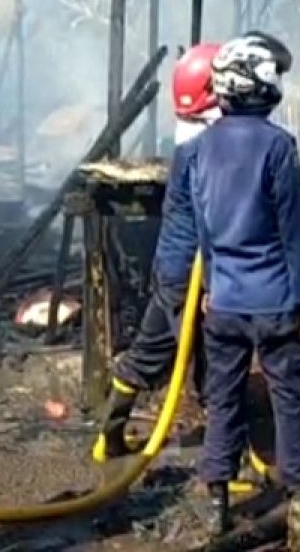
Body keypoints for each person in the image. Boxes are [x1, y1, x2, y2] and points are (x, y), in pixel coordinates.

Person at [191, 32, 300, 535]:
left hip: (223, 300)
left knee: (223, 398)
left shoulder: (199, 148)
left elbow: (203, 226)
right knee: (289, 395)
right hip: (274, 300)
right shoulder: (278, 145)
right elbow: (294, 229)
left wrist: (208, 288)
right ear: (261, 86)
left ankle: (218, 496)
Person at [94, 42, 221, 462]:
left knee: (148, 352)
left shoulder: (191, 143)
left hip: (171, 268)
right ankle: (229, 460)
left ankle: (109, 436)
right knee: (218, 364)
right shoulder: (210, 148)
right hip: (193, 274)